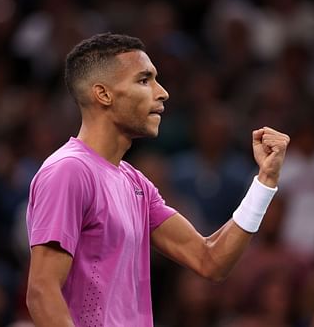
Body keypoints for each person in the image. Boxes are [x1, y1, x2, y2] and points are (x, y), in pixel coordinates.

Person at [25, 33, 290, 327]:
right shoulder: (69, 170)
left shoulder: (136, 183)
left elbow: (210, 260)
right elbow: (41, 292)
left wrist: (265, 181)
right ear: (103, 94)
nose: (162, 92)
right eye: (144, 80)